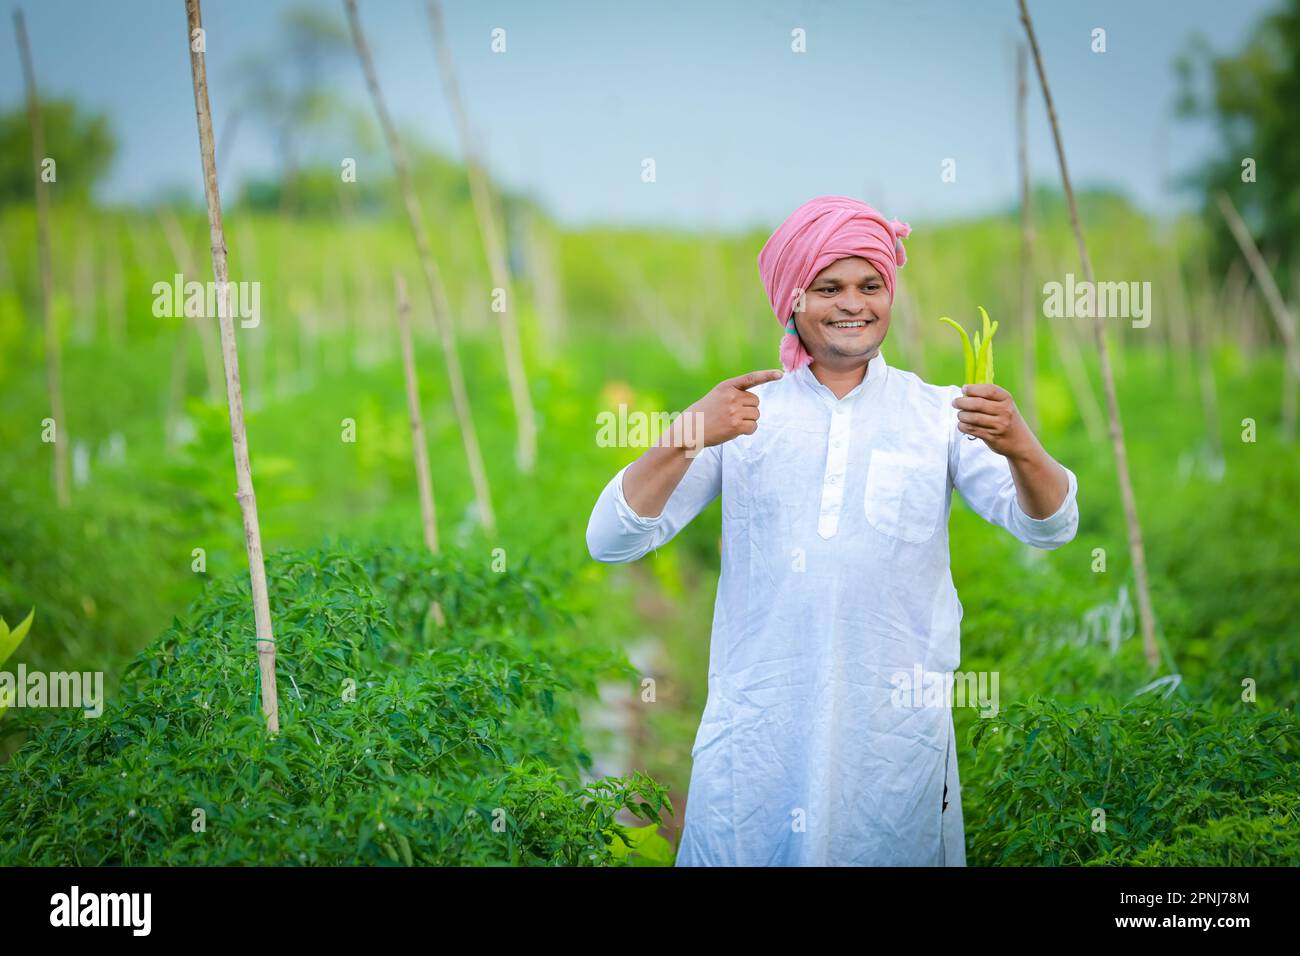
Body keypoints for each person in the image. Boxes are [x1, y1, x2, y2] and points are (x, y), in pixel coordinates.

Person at [585, 195, 1080, 866]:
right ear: (793, 301)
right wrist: (686, 433)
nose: (854, 302)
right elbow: (611, 539)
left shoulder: (939, 414)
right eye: (829, 287)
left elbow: (1051, 526)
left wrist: (1021, 445)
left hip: (891, 746)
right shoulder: (742, 417)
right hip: (759, 739)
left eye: (870, 285)